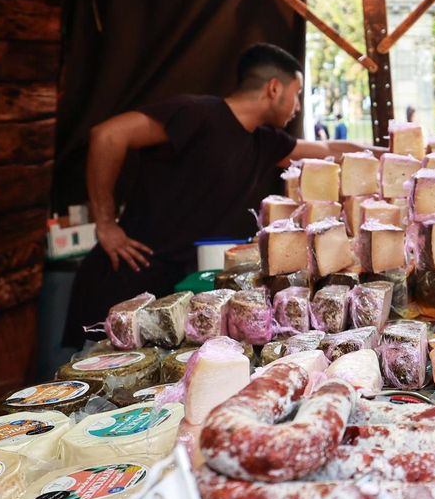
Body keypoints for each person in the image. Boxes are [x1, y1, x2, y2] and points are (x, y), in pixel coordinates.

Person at [63, 44, 373, 345]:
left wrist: (396, 151)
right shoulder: (197, 113)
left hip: (169, 294)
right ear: (274, 88)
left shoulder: (262, 141)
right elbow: (108, 135)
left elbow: (329, 149)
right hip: (122, 281)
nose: (299, 106)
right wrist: (105, 224)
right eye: (298, 93)